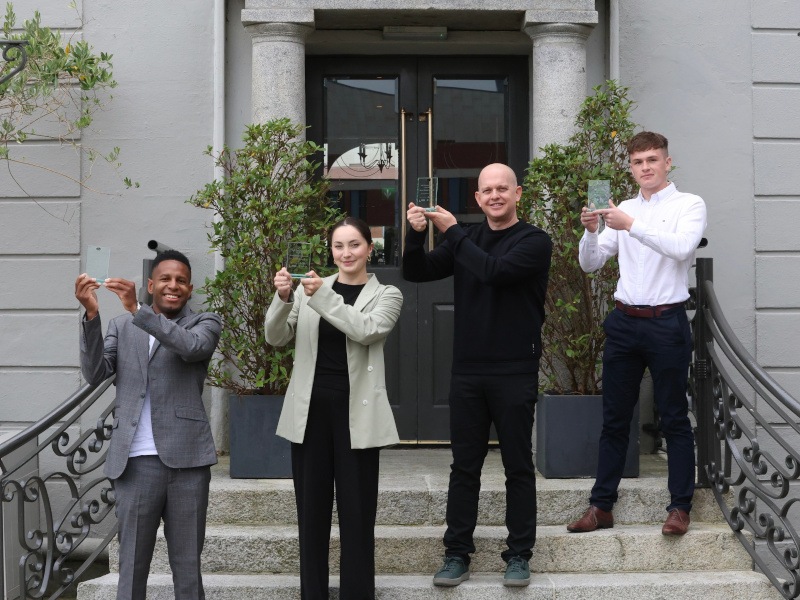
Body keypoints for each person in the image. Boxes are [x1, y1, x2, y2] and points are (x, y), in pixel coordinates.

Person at [402, 163, 552, 587]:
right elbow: (417, 272)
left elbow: (494, 272)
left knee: (518, 466)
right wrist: (415, 234)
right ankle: (456, 554)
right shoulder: (467, 237)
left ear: (517, 193)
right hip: (468, 370)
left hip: (514, 370)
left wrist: (450, 231)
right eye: (487, 190)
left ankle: (519, 554)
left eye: (502, 188)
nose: (494, 195)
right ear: (478, 198)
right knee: (464, 467)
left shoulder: (534, 241)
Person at [566, 131, 707, 536]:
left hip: (667, 321)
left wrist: (633, 225)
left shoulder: (688, 204)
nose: (645, 167)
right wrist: (591, 231)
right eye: (638, 162)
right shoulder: (620, 207)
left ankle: (679, 507)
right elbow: (591, 264)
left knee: (675, 417)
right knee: (614, 419)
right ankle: (601, 506)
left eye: (652, 160)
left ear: (667, 162)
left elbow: (682, 248)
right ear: (631, 167)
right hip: (625, 322)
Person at [265, 217, 403, 600]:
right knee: (311, 516)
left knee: (357, 517)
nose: (346, 253)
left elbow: (366, 330)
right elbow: (276, 337)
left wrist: (320, 297)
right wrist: (283, 299)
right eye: (339, 246)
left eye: (355, 244)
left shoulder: (387, 294)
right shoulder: (311, 289)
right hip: (309, 415)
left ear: (369, 249)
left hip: (357, 417)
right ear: (331, 250)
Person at [75, 249, 221, 600]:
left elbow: (190, 347)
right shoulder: (121, 326)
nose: (174, 286)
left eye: (181, 280)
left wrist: (137, 310)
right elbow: (96, 373)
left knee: (187, 566)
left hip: (188, 463)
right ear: (151, 284)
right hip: (135, 464)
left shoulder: (205, 322)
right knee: (132, 567)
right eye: (166, 279)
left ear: (190, 287)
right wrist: (92, 314)